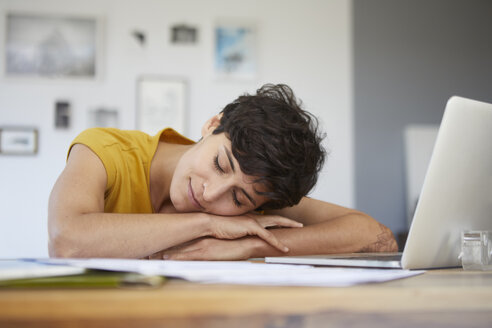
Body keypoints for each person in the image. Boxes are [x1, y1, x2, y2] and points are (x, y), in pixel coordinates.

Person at [48, 84, 397, 260]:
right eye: (220, 164)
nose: (211, 194)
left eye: (237, 197)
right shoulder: (105, 150)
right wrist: (208, 224)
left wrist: (250, 246)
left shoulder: (257, 193)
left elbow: (377, 237)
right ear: (213, 125)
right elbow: (65, 240)